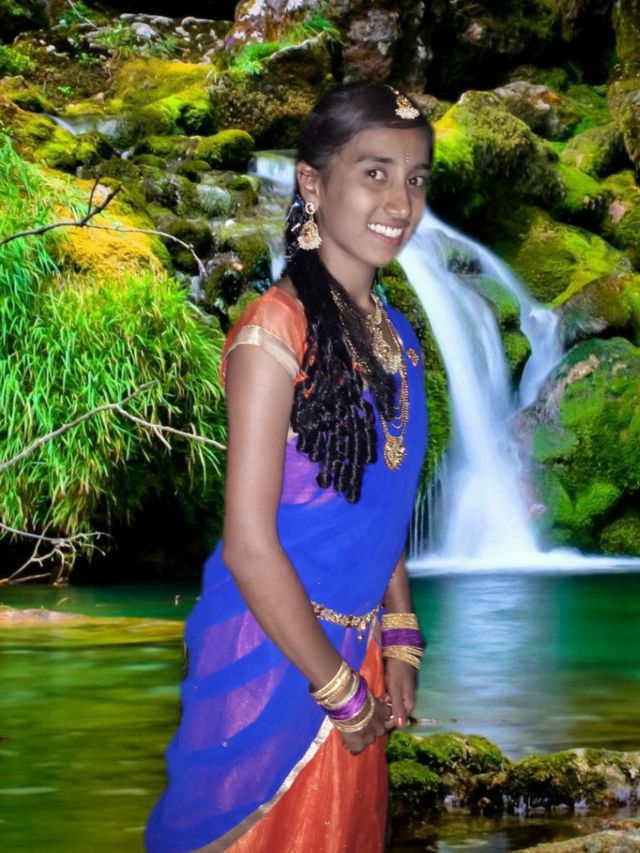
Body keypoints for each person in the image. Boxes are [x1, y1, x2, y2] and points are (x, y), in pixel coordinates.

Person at [146, 80, 434, 853]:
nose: (400, 203)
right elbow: (248, 544)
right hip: (270, 654)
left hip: (356, 650)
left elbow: (378, 497)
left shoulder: (398, 337)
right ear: (313, 182)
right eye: (374, 173)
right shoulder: (273, 333)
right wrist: (335, 686)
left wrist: (400, 632)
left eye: (415, 178)